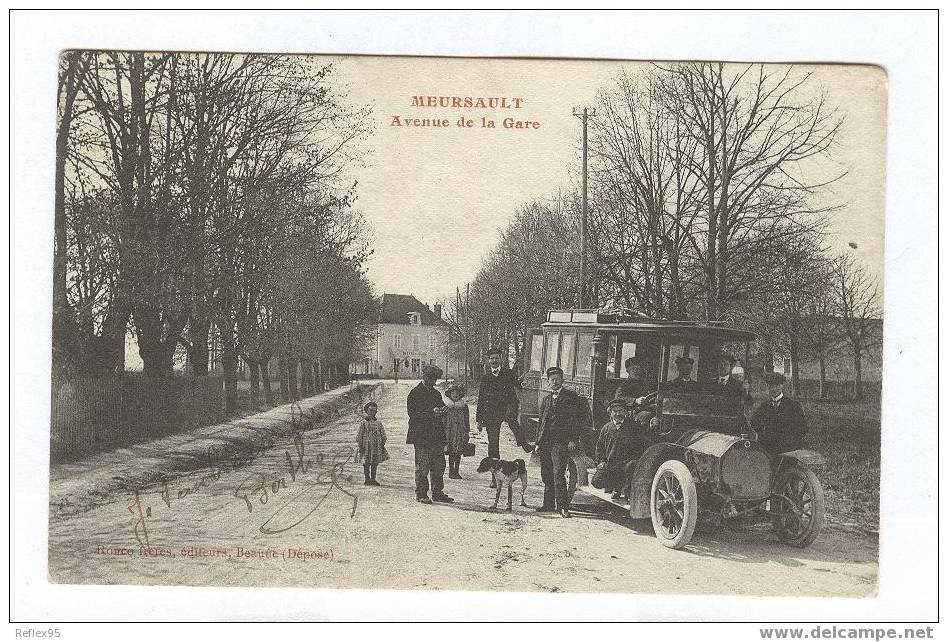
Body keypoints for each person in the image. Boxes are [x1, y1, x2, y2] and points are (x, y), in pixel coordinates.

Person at [535, 366, 589, 518]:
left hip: (561, 441)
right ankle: (548, 504)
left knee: (558, 473)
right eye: (552, 380)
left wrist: (573, 439)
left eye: (557, 379)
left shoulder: (570, 397)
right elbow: (541, 422)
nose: (555, 382)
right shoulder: (546, 399)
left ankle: (563, 507)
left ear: (562, 380)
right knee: (546, 473)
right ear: (548, 382)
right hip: (546, 442)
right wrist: (538, 443)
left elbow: (576, 420)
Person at [476, 348, 531, 475]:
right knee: (493, 444)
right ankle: (495, 476)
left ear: (500, 359)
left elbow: (518, 386)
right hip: (491, 413)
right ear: (488, 361)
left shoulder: (509, 373)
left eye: (496, 358)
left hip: (507, 408)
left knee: (513, 420)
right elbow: (481, 399)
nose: (494, 361)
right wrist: (479, 419)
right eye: (491, 358)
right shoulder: (486, 377)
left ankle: (523, 443)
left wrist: (524, 385)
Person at [406, 364, 453, 504]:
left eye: (435, 379)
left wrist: (442, 411)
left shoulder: (436, 393)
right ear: (424, 376)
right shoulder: (414, 393)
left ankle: (437, 492)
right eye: (430, 378)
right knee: (422, 466)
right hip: (421, 435)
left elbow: (440, 408)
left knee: (439, 465)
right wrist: (432, 413)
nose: (433, 382)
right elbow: (412, 415)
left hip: (436, 435)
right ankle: (421, 493)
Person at [594, 399, 647, 501]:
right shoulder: (606, 428)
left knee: (631, 466)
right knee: (597, 481)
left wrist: (634, 459)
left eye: (621, 411)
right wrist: (601, 461)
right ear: (610, 412)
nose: (618, 414)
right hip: (611, 462)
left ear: (625, 412)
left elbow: (640, 445)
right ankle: (615, 488)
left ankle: (628, 493)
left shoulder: (634, 427)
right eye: (615, 411)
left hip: (627, 462)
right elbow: (599, 448)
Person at [751, 372, 807, 454]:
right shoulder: (764, 406)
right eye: (771, 386)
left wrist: (792, 441)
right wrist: (763, 434)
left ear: (782, 386)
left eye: (777, 385)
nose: (774, 389)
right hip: (768, 448)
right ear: (768, 387)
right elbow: (754, 422)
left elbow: (802, 427)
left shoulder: (793, 405)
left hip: (788, 449)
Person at [442, 382, 471, 479]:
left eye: (457, 394)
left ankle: (456, 471)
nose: (455, 395)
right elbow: (443, 419)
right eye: (453, 394)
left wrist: (467, 430)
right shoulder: (447, 406)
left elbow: (467, 419)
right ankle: (451, 471)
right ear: (449, 395)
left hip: (460, 431)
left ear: (460, 395)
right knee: (451, 452)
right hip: (449, 431)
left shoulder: (463, 406)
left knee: (458, 451)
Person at [356, 401, 388, 486]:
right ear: (366, 411)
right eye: (370, 411)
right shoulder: (363, 423)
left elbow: (383, 434)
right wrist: (360, 445)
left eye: (374, 411)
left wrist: (382, 443)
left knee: (374, 462)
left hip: (376, 446)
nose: (372, 413)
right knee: (366, 463)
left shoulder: (378, 423)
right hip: (366, 446)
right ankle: (367, 479)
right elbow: (359, 435)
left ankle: (373, 479)